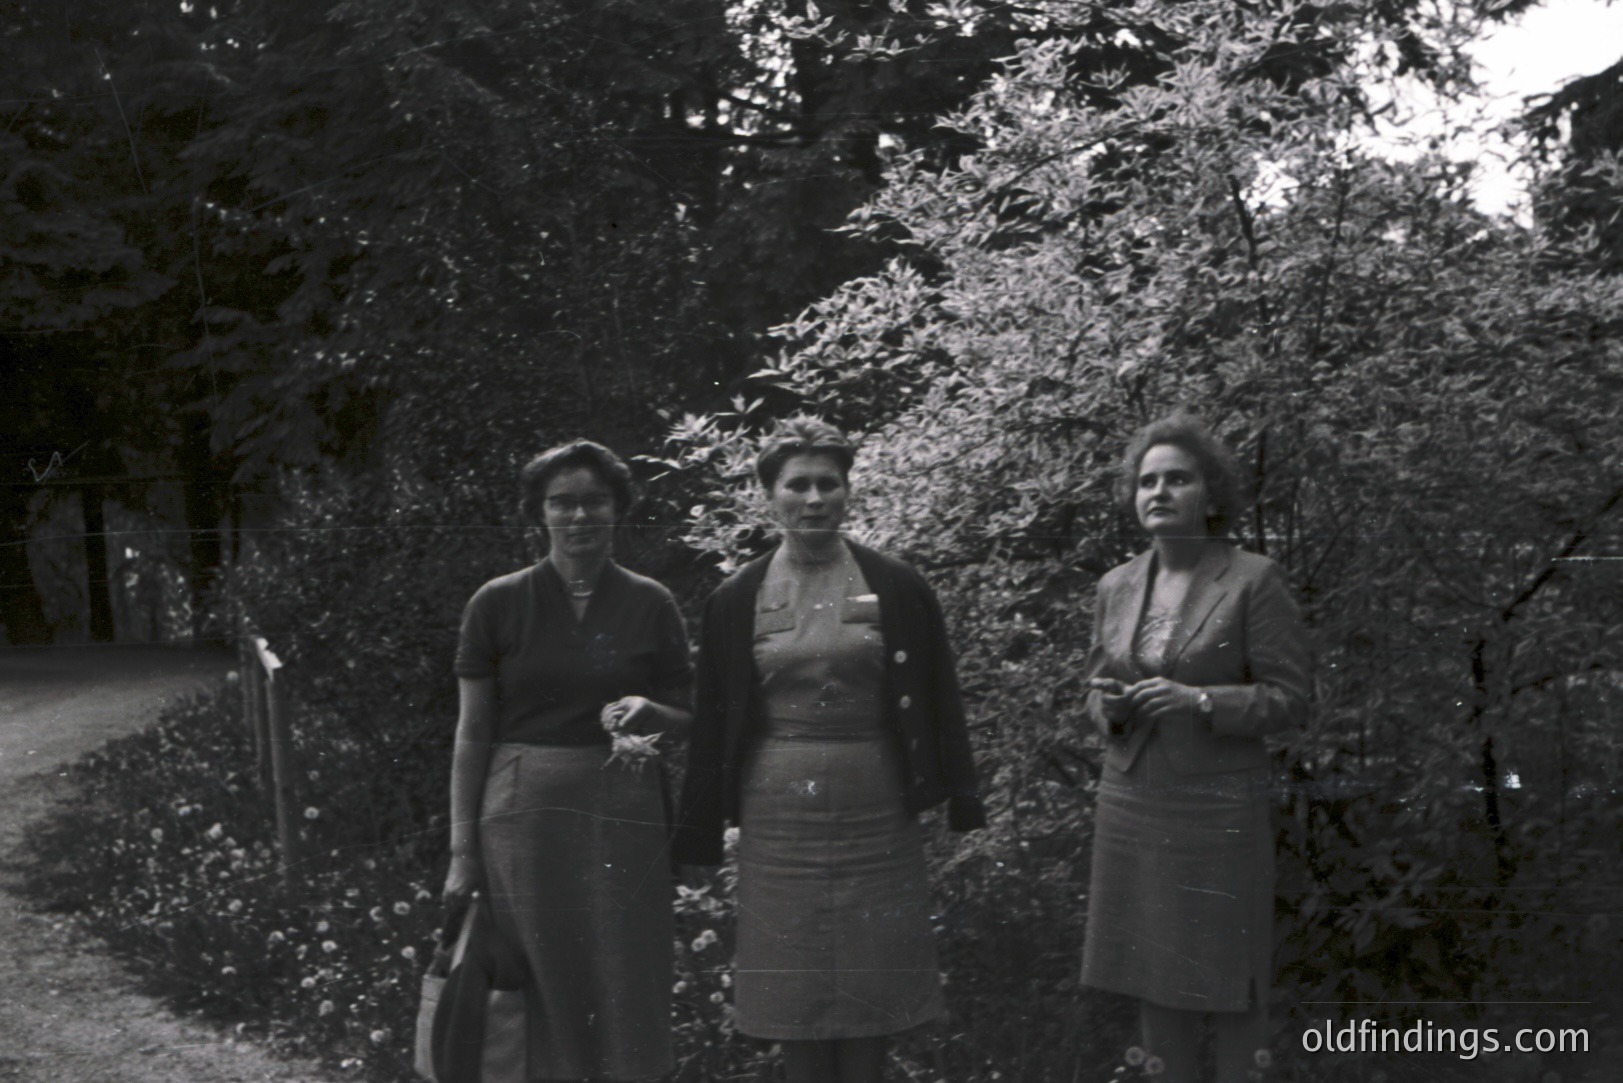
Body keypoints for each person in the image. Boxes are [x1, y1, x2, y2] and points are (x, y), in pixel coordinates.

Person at [674, 417, 986, 1083]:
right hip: (777, 810)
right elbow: (712, 718)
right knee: (795, 985)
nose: (813, 498)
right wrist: (697, 829)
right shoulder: (736, 598)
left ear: (847, 492)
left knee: (869, 982)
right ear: (770, 497)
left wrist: (960, 795)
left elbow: (939, 695)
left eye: (827, 484)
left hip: (875, 801)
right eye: (797, 485)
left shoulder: (897, 584)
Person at [444, 439, 692, 1082]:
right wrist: (461, 851)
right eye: (563, 503)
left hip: (625, 817)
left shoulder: (651, 602)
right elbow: (473, 733)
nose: (580, 516)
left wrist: (650, 712)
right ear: (539, 513)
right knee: (542, 974)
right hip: (524, 822)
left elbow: (690, 714)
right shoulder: (496, 603)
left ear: (618, 510)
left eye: (594, 502)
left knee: (627, 970)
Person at [1079, 412, 1311, 1083]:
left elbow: (1289, 699)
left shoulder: (1252, 579)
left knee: (1233, 987)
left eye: (1176, 478)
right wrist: (1110, 707)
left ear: (1210, 496)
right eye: (1146, 481)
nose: (1158, 491)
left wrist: (1200, 701)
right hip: (1132, 803)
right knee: (1154, 984)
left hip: (1217, 811)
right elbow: (1094, 694)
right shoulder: (1115, 587)